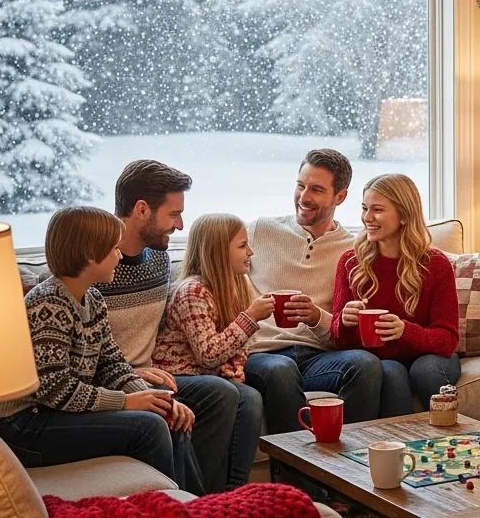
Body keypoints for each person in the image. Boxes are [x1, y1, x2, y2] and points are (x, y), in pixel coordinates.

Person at [0, 207, 196, 487]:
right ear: (89, 255)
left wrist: (153, 399)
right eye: (113, 248)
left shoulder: (93, 299)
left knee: (167, 417)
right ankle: (172, 513)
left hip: (53, 413)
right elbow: (53, 387)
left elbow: (111, 363)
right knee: (151, 427)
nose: (120, 256)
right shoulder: (49, 303)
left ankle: (199, 508)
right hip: (22, 424)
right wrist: (124, 402)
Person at [94, 160, 241, 494]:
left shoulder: (160, 261)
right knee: (210, 399)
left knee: (225, 394)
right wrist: (133, 375)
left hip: (156, 374)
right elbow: (89, 350)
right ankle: (197, 503)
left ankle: (209, 499)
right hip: (114, 381)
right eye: (173, 215)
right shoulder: (95, 267)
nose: (179, 225)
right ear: (142, 210)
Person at [244, 149, 382, 431]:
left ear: (340, 197)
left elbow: (348, 330)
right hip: (264, 353)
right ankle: (291, 474)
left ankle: (348, 466)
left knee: (365, 365)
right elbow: (213, 267)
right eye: (300, 186)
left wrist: (317, 317)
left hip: (318, 356)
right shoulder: (260, 230)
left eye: (316, 189)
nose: (304, 197)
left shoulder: (354, 250)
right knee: (280, 371)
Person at [153, 214, 269, 490]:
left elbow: (233, 350)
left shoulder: (231, 286)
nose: (250, 252)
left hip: (205, 375)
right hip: (176, 376)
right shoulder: (192, 291)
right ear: (218, 251)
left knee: (251, 397)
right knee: (232, 393)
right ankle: (210, 490)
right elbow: (208, 353)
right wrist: (250, 318)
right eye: (242, 246)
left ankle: (235, 490)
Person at [330, 174, 459, 416]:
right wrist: (344, 322)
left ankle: (452, 438)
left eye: (377, 210)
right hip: (380, 360)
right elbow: (338, 339)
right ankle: (397, 449)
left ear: (403, 215)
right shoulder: (350, 262)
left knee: (425, 369)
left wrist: (405, 331)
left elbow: (448, 338)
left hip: (428, 356)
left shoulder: (436, 264)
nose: (367, 218)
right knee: (390, 371)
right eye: (365, 208)